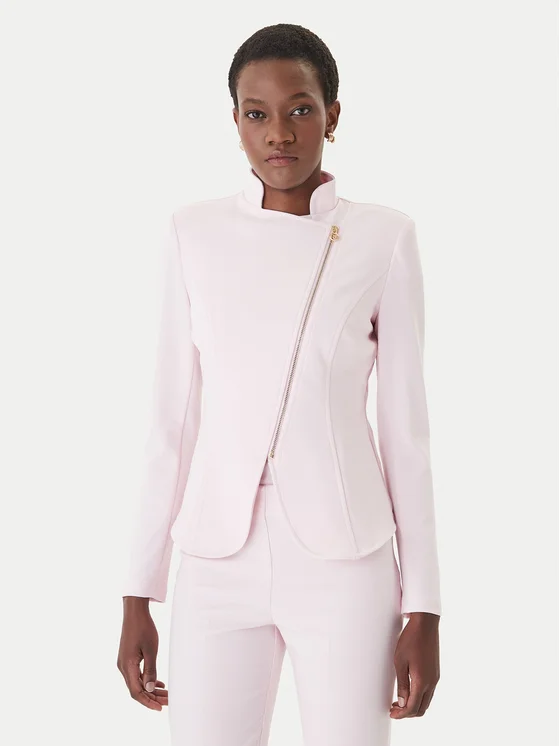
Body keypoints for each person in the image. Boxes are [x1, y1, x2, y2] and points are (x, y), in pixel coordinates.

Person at [117, 22, 442, 746]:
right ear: (235, 122)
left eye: (300, 109)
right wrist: (140, 589)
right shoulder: (192, 233)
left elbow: (406, 434)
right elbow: (172, 421)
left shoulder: (383, 237)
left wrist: (424, 604)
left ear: (333, 113)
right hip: (215, 557)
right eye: (256, 113)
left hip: (345, 559)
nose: (279, 133)